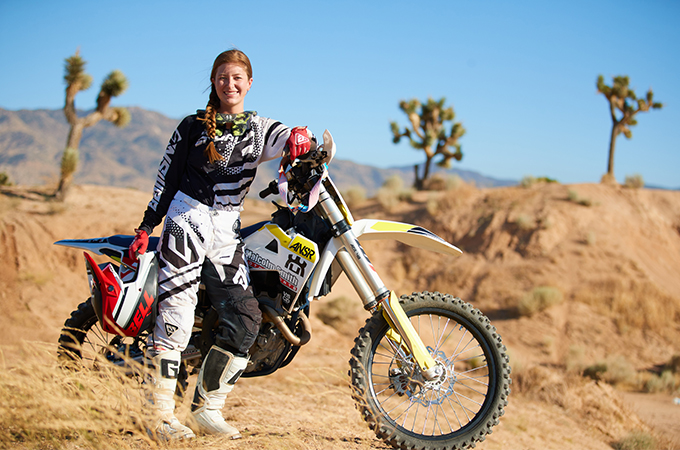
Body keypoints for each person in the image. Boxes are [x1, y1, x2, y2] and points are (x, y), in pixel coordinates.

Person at [128, 49, 313, 440]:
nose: (230, 85)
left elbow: (285, 135)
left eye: (237, 78)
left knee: (246, 317)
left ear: (249, 83)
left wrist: (301, 135)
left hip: (226, 229)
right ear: (214, 82)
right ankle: (158, 416)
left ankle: (205, 410)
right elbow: (166, 177)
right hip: (186, 218)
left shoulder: (259, 128)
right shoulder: (192, 126)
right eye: (222, 78)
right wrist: (147, 224)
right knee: (176, 316)